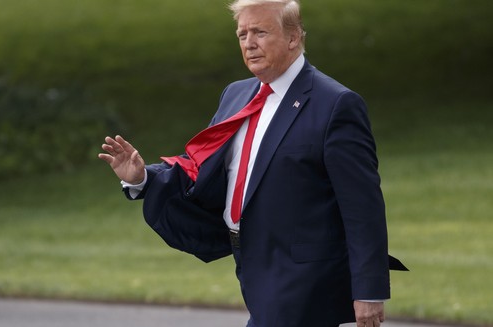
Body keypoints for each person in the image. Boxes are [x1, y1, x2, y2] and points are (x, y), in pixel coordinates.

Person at [99, 1, 406, 326]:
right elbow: (201, 169)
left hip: (304, 275)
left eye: (260, 32)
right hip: (252, 263)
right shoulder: (236, 95)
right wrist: (142, 178)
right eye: (242, 34)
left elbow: (363, 206)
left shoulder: (336, 104)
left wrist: (369, 291)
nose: (249, 42)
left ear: (293, 38)